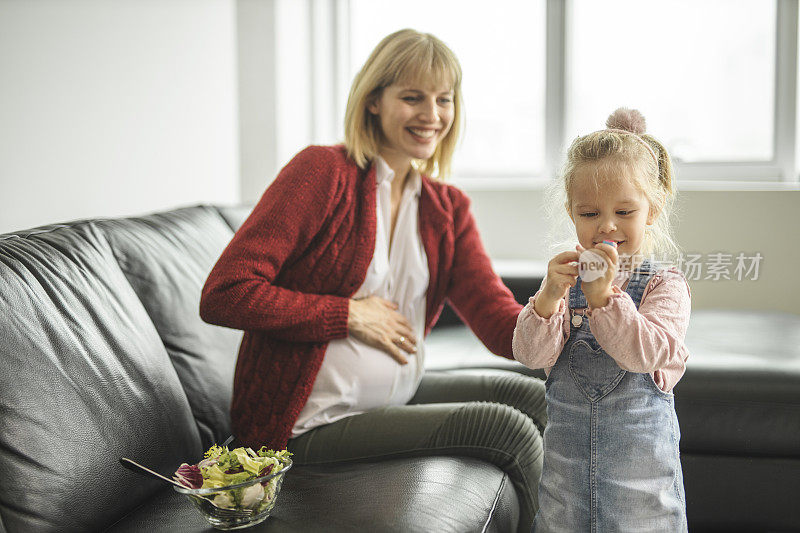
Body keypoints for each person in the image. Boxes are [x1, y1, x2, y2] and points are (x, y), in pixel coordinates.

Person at [200, 28, 546, 531]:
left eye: (444, 99)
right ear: (374, 102)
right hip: (306, 422)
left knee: (533, 396)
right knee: (503, 427)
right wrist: (347, 315)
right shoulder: (322, 173)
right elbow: (225, 294)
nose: (432, 115)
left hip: (390, 398)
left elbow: (498, 325)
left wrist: (563, 302)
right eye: (412, 97)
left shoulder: (447, 208)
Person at [513, 107, 690, 532]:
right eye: (590, 214)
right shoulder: (565, 284)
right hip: (565, 492)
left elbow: (643, 352)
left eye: (624, 212)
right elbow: (529, 353)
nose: (606, 225)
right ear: (573, 213)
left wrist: (603, 299)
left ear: (653, 209)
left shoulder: (664, 286)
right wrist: (549, 297)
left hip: (641, 499)